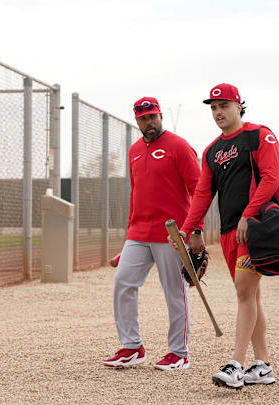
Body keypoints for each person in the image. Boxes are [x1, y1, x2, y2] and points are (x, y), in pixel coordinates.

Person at [171, 83, 279, 388]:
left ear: (239, 106)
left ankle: (236, 365)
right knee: (251, 296)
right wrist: (187, 229)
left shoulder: (259, 135)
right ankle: (263, 365)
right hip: (230, 233)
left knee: (245, 292)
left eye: (224, 106)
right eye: (213, 108)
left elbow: (272, 178)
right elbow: (203, 195)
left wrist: (250, 213)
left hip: (255, 228)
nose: (218, 112)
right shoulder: (211, 151)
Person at [103, 96, 203, 371]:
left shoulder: (179, 147)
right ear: (137, 120)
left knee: (174, 291)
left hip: (173, 234)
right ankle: (132, 347)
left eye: (153, 117)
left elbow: (199, 191)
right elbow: (136, 195)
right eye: (144, 119)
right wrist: (128, 239)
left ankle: (179, 353)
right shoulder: (134, 150)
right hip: (138, 232)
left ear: (160, 117)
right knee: (123, 283)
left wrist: (195, 230)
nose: (149, 123)